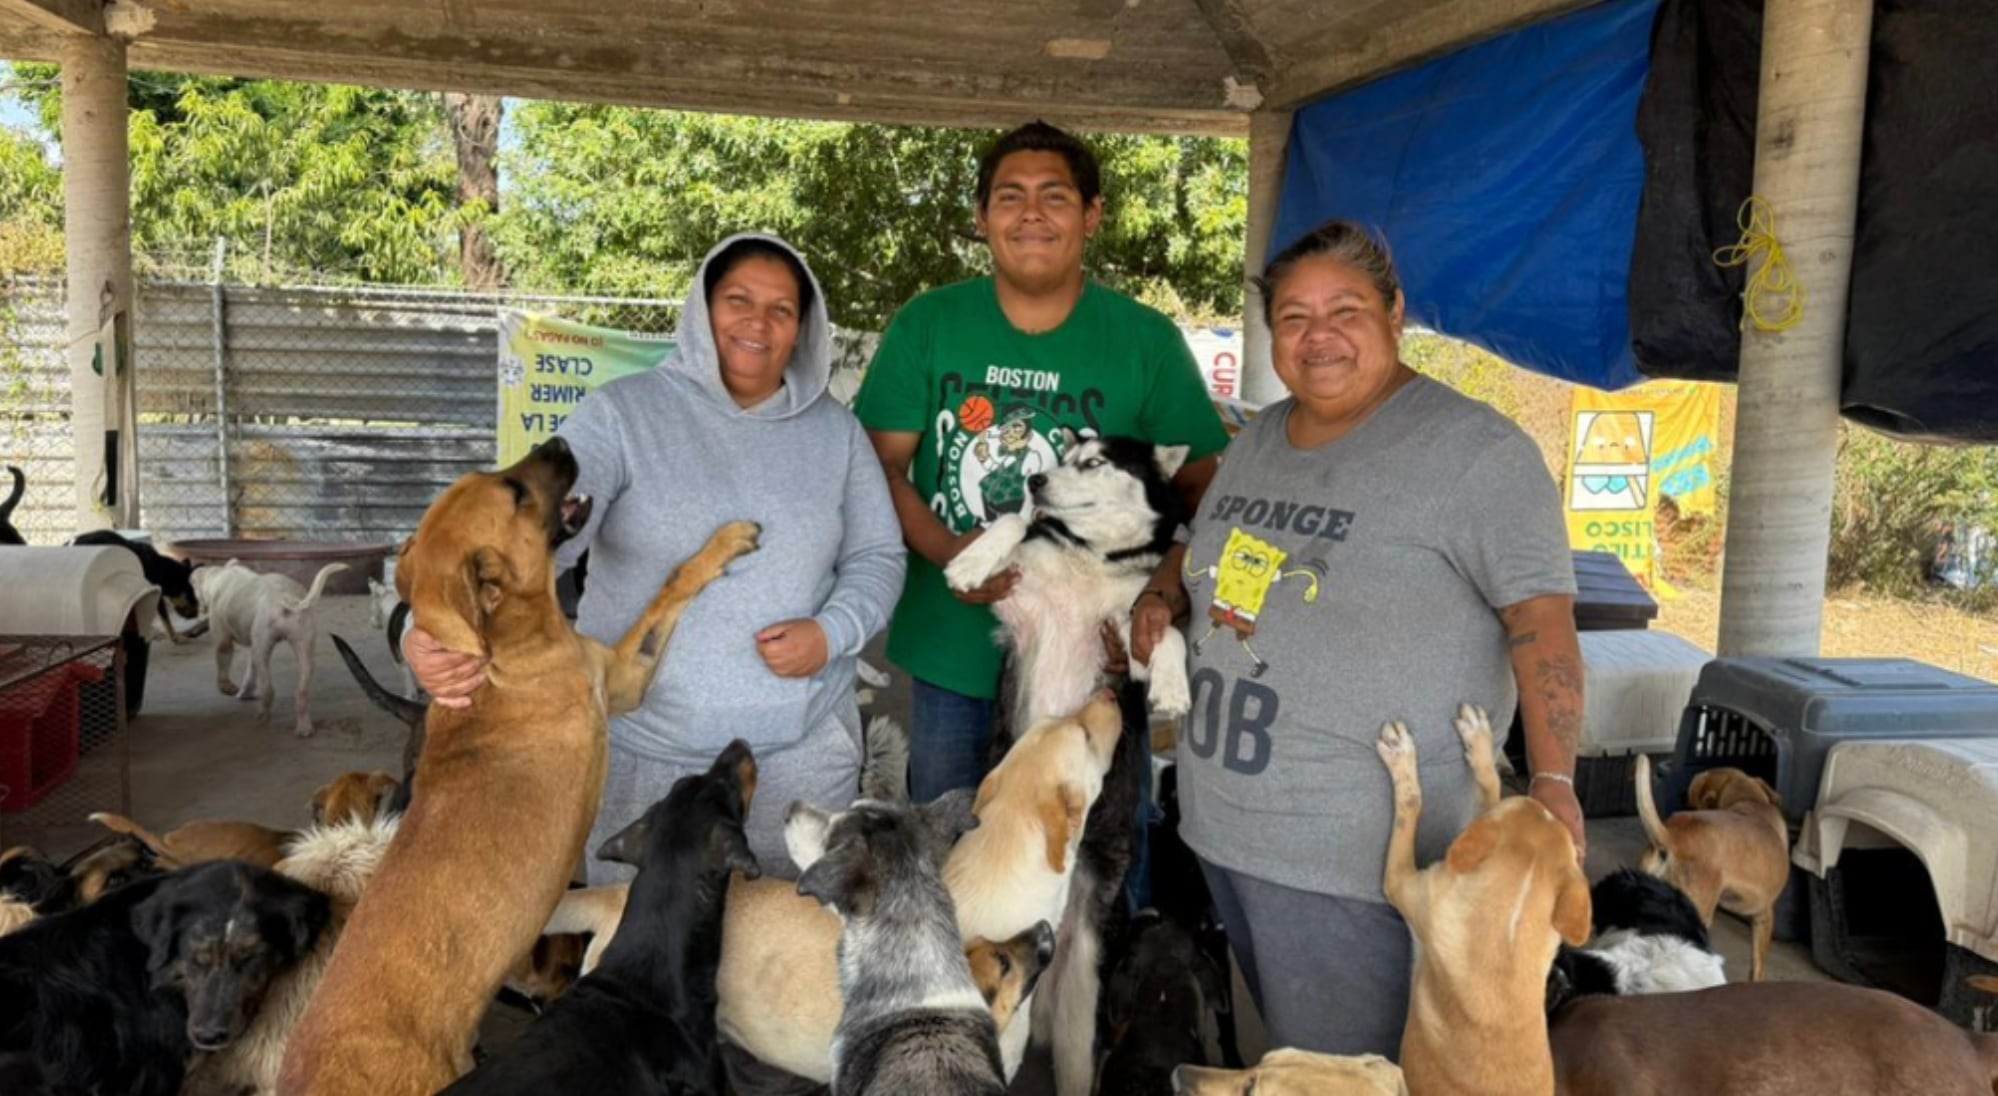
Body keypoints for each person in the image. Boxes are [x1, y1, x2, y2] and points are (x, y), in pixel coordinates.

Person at [1130, 220, 1587, 1059]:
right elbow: (1208, 546)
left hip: (1362, 862)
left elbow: (1541, 622)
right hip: (1227, 832)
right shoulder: (1261, 437)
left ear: (1396, 312)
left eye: (1346, 309)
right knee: (1293, 1062)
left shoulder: (1474, 452)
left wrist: (1555, 778)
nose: (1319, 336)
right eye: (1295, 318)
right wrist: (1164, 592)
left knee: (1357, 1073)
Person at [408, 234, 905, 882]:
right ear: (702, 309)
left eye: (782, 309)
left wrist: (831, 633)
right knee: (639, 972)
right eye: (739, 300)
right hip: (648, 768)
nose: (758, 322)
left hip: (801, 767)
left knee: (792, 967)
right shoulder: (622, 415)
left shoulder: (836, 434)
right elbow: (531, 537)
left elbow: (878, 555)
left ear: (804, 330)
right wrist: (434, 631)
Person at [853, 121, 1232, 808]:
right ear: (982, 217)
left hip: (1097, 661)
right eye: (1010, 196)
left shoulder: (1146, 341)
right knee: (959, 862)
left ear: (1091, 216)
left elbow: (1209, 496)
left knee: (1097, 870)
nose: (1031, 213)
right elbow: (876, 469)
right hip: (953, 655)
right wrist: (949, 552)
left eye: (1054, 197)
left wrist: (1158, 601)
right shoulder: (928, 324)